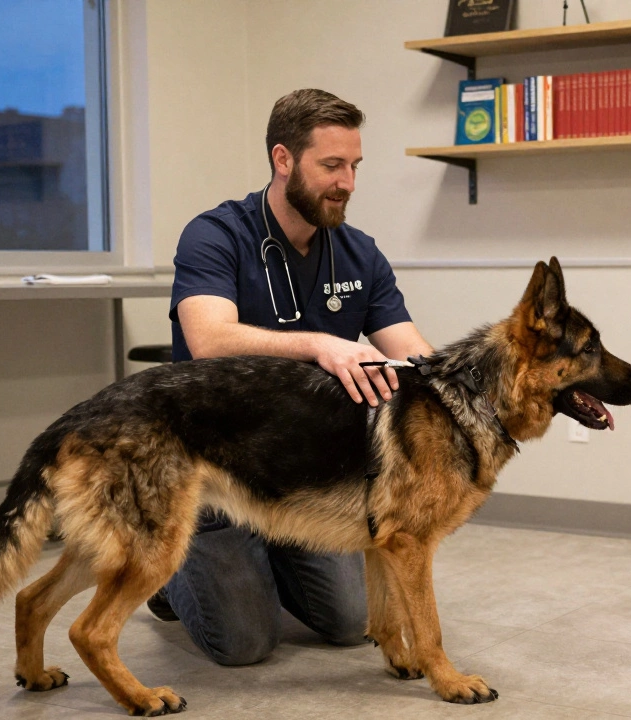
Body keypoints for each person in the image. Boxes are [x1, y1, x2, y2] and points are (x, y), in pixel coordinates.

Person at [154, 88, 434, 666]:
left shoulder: (360, 254)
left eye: (355, 166)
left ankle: (265, 563)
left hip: (310, 478)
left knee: (350, 624)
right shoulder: (215, 234)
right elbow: (207, 339)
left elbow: (412, 352)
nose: (348, 182)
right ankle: (168, 574)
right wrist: (320, 345)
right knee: (245, 644)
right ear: (283, 160)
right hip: (215, 473)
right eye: (331, 166)